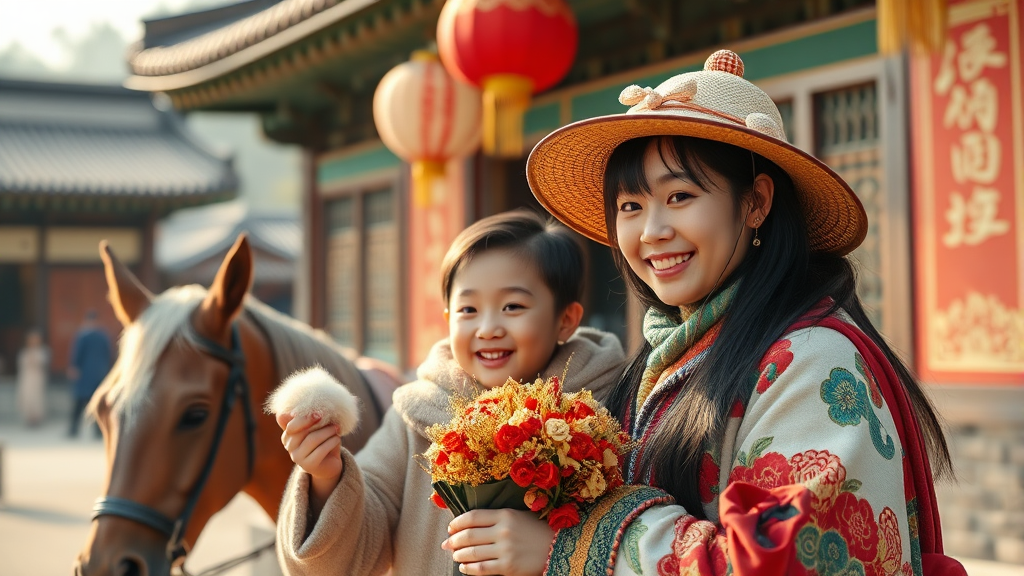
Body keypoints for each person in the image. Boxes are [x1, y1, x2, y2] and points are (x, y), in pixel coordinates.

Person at [445, 50, 964, 576]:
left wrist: (569, 547)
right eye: (630, 206)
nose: (651, 232)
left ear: (756, 202)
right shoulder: (666, 356)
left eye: (680, 196)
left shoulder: (813, 363)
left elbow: (785, 562)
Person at [275, 210, 626, 576]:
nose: (488, 328)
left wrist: (559, 548)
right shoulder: (418, 412)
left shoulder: (608, 405)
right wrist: (326, 478)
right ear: (447, 319)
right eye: (468, 309)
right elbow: (351, 558)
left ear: (566, 319)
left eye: (512, 307)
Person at [67, 309, 112, 438]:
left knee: (79, 404)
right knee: (97, 404)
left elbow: (77, 354)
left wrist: (74, 367)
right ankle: (98, 432)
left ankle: (74, 430)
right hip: (99, 374)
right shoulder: (103, 336)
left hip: (85, 375)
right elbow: (109, 354)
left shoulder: (83, 336)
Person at [17, 329, 49, 427]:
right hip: (26, 378)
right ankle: (29, 418)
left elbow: (41, 363)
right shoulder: (24, 351)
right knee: (27, 397)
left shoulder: (42, 351)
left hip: (37, 378)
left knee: (37, 398)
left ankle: (36, 418)